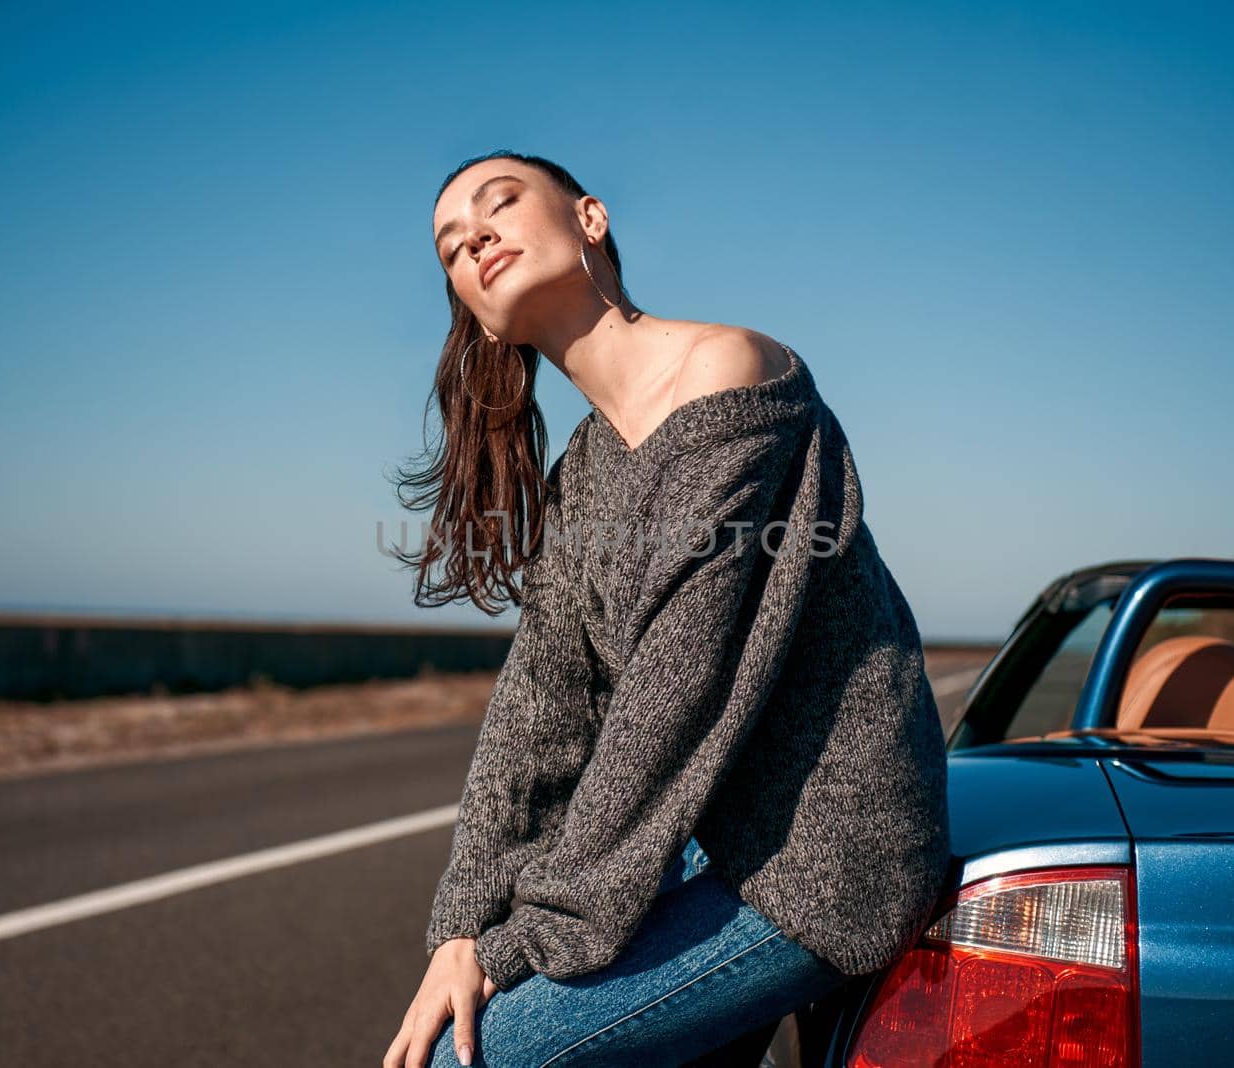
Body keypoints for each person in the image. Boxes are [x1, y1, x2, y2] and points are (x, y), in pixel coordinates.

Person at [382, 151, 951, 1067]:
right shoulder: (586, 473)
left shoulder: (731, 378)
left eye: (500, 205)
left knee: (471, 1059)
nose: (475, 238)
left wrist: (516, 946)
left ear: (591, 220)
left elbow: (669, 700)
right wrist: (463, 926)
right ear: (481, 323)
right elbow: (543, 707)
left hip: (823, 856)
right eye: (452, 247)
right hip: (702, 843)